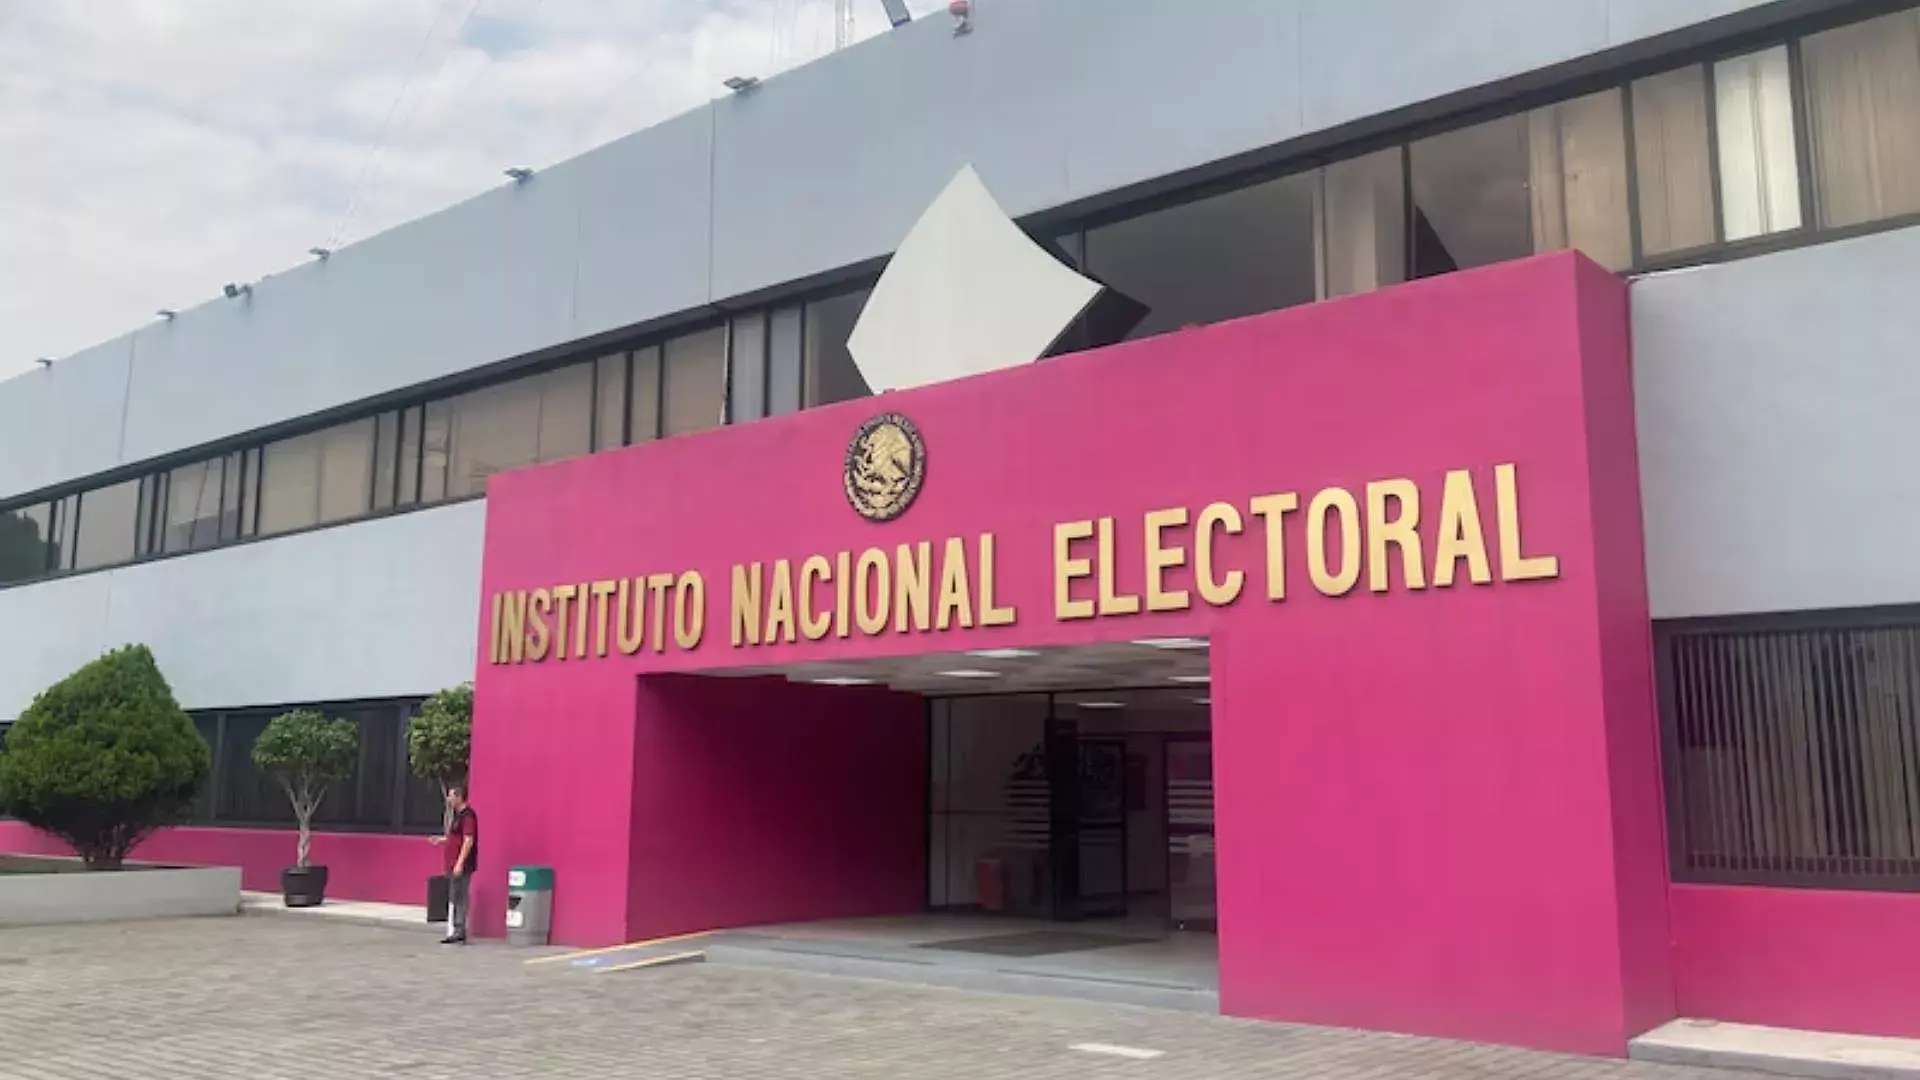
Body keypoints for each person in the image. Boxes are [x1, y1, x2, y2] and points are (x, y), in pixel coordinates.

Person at [429, 785, 479, 944]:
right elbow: (455, 837)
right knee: (454, 895)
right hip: (452, 863)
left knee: (460, 896)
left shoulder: (468, 816)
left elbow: (468, 840)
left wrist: (460, 863)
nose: (448, 799)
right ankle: (457, 928)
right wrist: (441, 840)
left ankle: (459, 929)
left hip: (461, 864)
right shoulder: (457, 816)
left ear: (459, 797)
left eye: (451, 796)